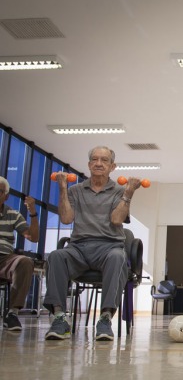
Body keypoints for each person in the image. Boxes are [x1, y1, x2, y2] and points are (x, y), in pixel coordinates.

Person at [43, 146, 143, 341]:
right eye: (95, 159)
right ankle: (59, 317)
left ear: (112, 166)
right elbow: (65, 218)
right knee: (56, 256)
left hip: (108, 247)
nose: (99, 163)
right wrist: (62, 189)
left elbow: (116, 220)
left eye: (104, 160)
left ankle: (105, 318)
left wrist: (129, 193)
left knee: (118, 257)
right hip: (78, 248)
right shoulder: (76, 190)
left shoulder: (119, 191)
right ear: (89, 164)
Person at [0, 176, 39, 331]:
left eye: (0, 191)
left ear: (6, 196)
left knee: (25, 261)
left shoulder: (13, 214)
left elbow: (33, 237)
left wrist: (33, 213)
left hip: (5, 259)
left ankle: (12, 314)